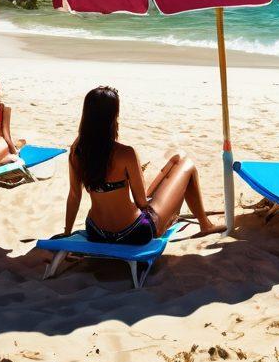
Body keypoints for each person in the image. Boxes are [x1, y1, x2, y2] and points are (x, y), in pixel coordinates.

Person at [63, 86, 223, 245]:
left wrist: (67, 233)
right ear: (113, 117)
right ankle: (205, 224)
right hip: (133, 232)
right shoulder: (126, 153)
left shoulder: (77, 152)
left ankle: (199, 220)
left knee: (175, 161)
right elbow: (141, 202)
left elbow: (74, 195)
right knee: (186, 164)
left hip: (96, 232)